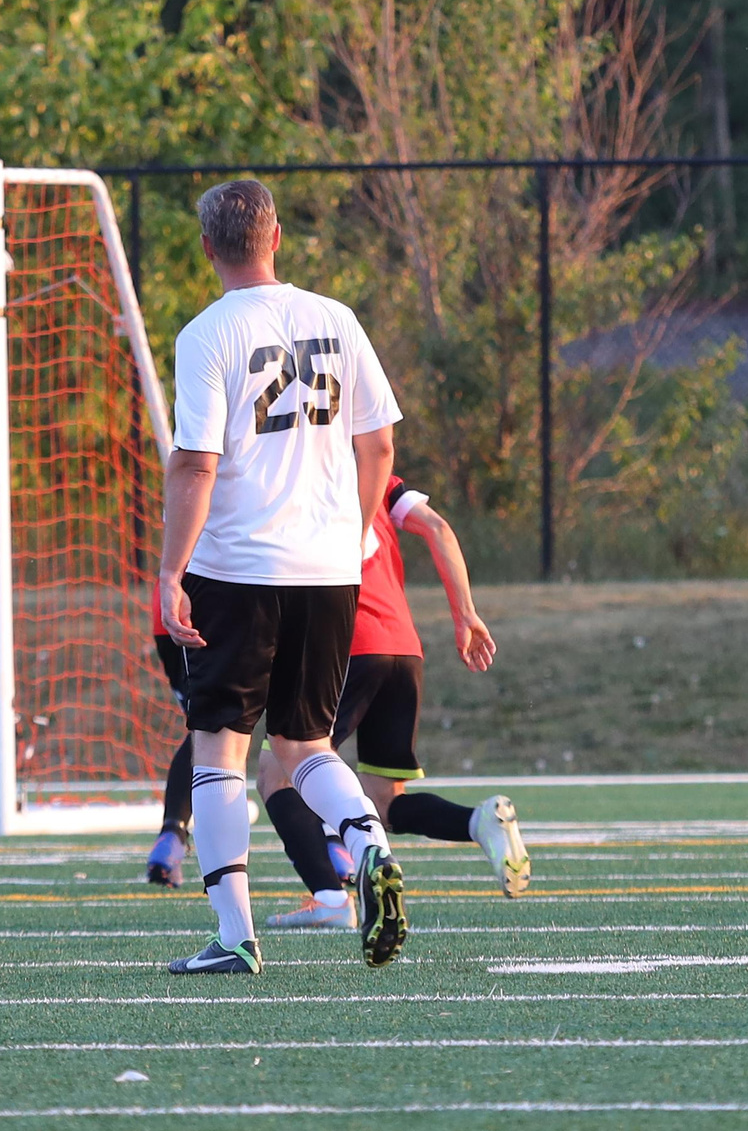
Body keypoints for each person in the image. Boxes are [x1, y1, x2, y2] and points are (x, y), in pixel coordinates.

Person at [157, 177, 407, 975]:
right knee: (306, 742)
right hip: (329, 569)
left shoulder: (206, 333)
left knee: (220, 748)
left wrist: (170, 570)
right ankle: (366, 841)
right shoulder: (337, 317)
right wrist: (356, 529)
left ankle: (235, 934)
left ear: (208, 249)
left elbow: (196, 464)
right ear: (277, 238)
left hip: (239, 566)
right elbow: (381, 444)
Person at [266, 476, 529, 931]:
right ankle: (479, 822)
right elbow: (438, 528)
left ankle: (330, 897)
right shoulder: (381, 482)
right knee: (386, 800)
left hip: (346, 642)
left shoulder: (300, 471)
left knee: (277, 773)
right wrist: (465, 613)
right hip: (404, 649)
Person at [143, 585, 195, 888]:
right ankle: (335, 846)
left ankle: (172, 831)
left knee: (208, 732)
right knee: (221, 736)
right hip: (219, 603)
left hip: (168, 610)